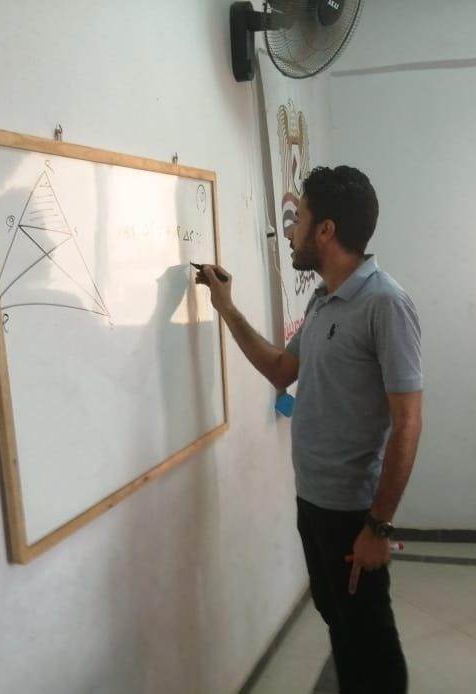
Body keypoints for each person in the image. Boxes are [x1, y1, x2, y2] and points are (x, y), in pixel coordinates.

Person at [195, 166, 422, 694]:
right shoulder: (322, 300)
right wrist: (226, 308)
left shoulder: (385, 303)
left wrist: (378, 526)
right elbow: (281, 370)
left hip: (355, 512)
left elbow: (409, 420)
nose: (291, 231)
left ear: (326, 230)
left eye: (298, 220)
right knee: (339, 621)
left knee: (370, 638)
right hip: (313, 500)